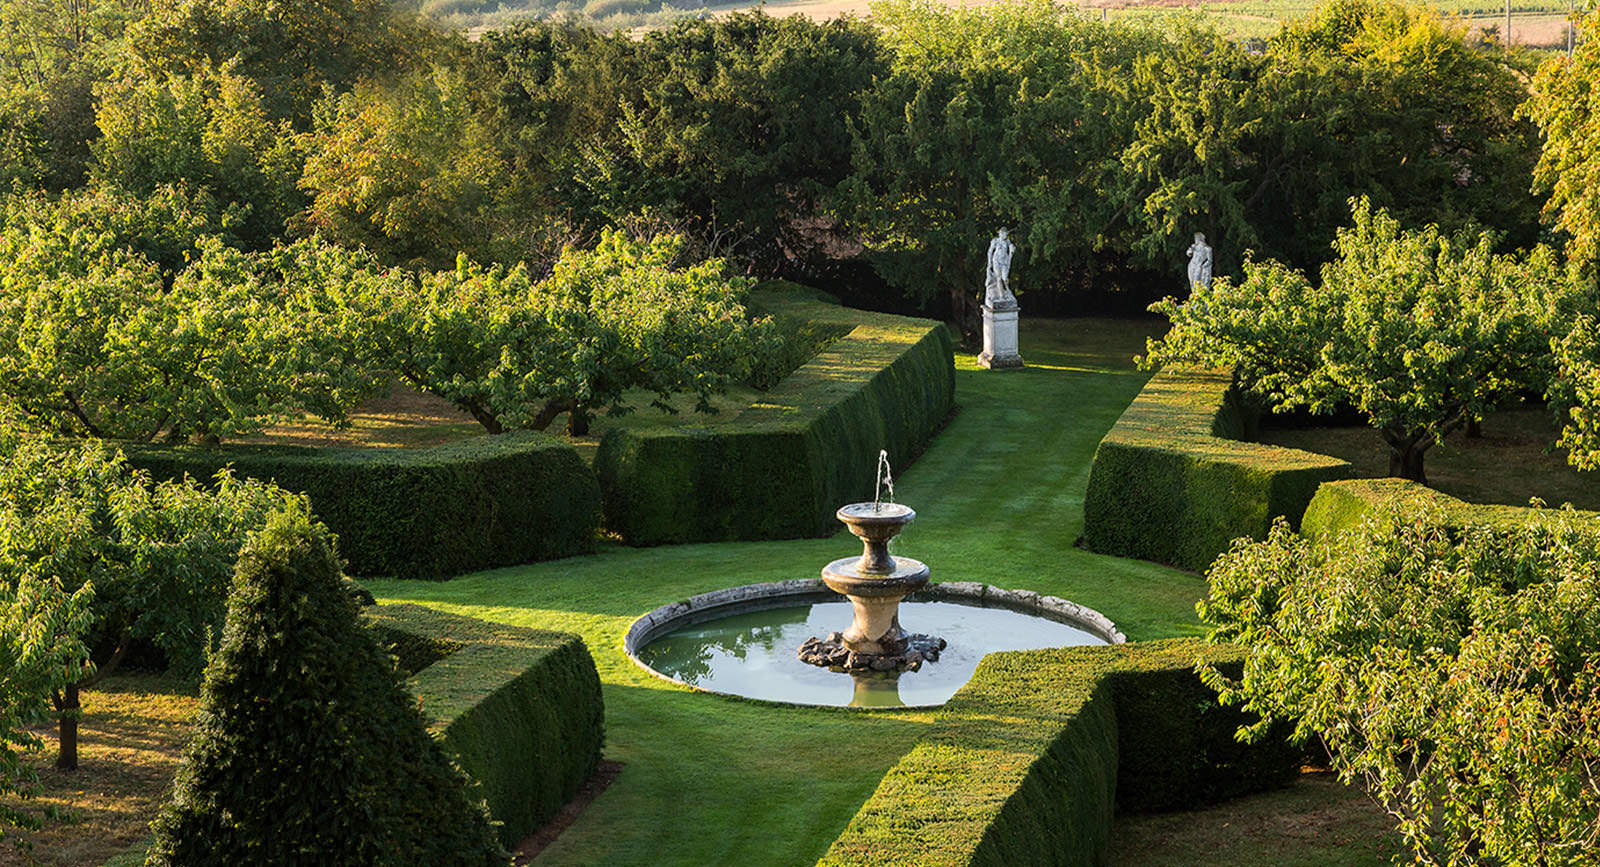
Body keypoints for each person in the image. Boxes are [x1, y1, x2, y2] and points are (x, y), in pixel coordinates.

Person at [985, 228, 1017, 306]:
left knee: (1005, 278)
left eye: (1006, 234)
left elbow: (1011, 249)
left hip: (1004, 262)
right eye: (1005, 234)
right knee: (999, 278)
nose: (1006, 235)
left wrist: (1012, 250)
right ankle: (1001, 296)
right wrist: (989, 263)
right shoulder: (995, 241)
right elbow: (990, 251)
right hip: (996, 261)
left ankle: (1007, 291)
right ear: (1001, 234)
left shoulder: (1007, 241)